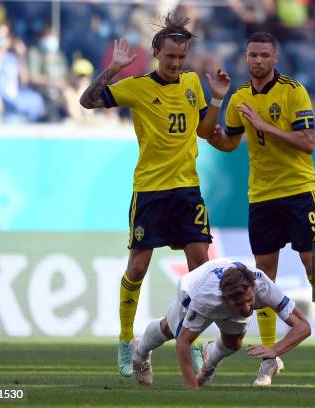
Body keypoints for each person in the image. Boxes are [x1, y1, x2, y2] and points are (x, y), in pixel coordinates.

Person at [79, 14, 231, 378]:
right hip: (150, 190)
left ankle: (191, 342)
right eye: (170, 58)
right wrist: (113, 69)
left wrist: (217, 101)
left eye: (181, 58)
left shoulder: (193, 82)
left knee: (201, 273)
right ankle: (125, 340)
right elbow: (87, 101)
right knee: (137, 268)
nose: (176, 64)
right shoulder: (137, 87)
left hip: (188, 190)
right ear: (156, 54)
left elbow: (203, 131)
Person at [207, 32, 315, 386]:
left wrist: (266, 126)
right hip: (262, 197)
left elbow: (308, 142)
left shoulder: (293, 90)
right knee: (263, 278)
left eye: (264, 55)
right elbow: (229, 143)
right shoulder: (238, 97)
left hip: (298, 191)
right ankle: (269, 358)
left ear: (275, 58)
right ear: (246, 57)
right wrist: (214, 131)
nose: (257, 61)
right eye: (252, 55)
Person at [131, 258, 311, 389]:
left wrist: (274, 350)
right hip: (191, 291)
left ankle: (210, 360)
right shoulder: (206, 299)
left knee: (233, 344)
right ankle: (141, 351)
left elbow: (303, 326)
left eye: (249, 300)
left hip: (222, 282)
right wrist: (192, 388)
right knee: (169, 330)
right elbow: (183, 344)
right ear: (225, 299)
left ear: (252, 288)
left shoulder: (263, 285)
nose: (247, 307)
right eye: (239, 304)